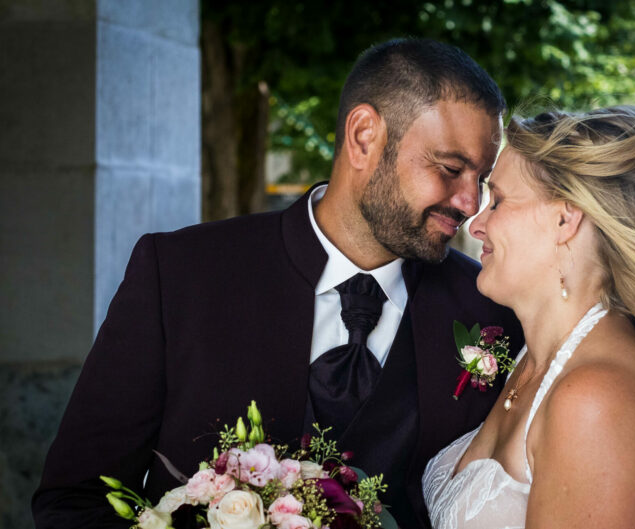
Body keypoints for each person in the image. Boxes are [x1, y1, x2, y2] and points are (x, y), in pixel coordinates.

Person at [33, 38, 523, 529]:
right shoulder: (180, 274)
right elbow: (74, 502)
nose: (469, 203)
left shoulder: (491, 309)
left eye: (481, 180)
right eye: (451, 169)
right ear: (364, 136)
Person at [423, 105, 635, 528]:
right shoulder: (532, 360)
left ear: (564, 219)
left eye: (497, 200)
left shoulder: (598, 401)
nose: (476, 224)